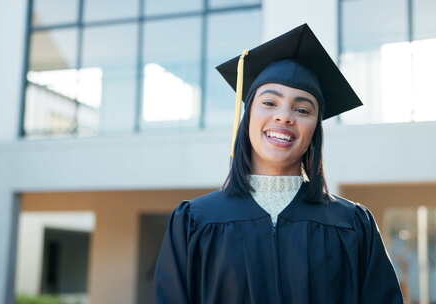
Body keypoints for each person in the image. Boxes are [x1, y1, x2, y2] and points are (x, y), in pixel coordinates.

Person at [153, 24, 404, 304]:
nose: (284, 117)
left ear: (315, 130)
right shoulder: (194, 220)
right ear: (247, 117)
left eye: (302, 109)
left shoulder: (352, 224)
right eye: (270, 102)